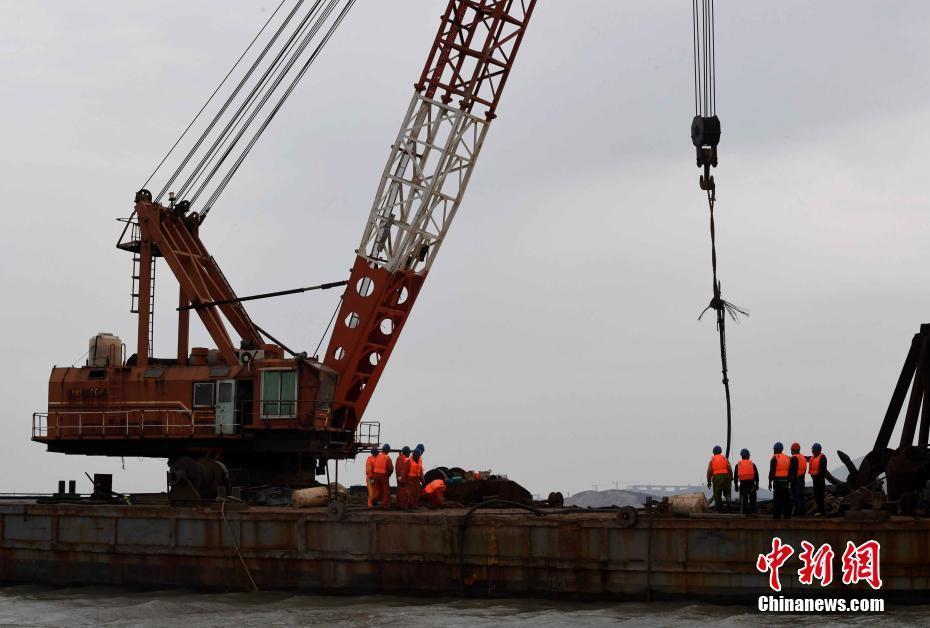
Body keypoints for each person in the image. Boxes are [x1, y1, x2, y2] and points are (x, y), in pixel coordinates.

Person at [769, 442, 792, 519]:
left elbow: (772, 471)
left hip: (777, 481)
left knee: (777, 499)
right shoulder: (786, 457)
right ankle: (787, 515)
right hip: (785, 481)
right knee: (786, 499)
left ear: (776, 449)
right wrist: (788, 480)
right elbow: (789, 470)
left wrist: (770, 482)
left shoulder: (775, 458)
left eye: (774, 449)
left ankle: (776, 515)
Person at [706, 445, 732, 512]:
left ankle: (719, 510)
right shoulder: (725, 458)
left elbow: (709, 472)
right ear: (720, 451)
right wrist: (731, 477)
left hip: (717, 478)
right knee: (727, 492)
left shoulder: (712, 460)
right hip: (726, 476)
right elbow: (729, 468)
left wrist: (709, 481)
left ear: (714, 452)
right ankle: (729, 502)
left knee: (717, 494)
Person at [733, 448, 759, 514]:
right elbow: (756, 475)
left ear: (741, 456)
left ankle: (744, 512)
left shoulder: (738, 465)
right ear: (748, 456)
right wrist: (757, 484)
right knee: (753, 500)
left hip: (743, 485)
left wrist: (736, 486)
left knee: (743, 500)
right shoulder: (752, 464)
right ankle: (753, 512)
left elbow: (735, 477)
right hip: (751, 485)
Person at [371, 443, 394, 508]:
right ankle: (385, 505)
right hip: (383, 475)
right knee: (386, 490)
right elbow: (390, 468)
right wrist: (389, 474)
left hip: (375, 475)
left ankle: (374, 499)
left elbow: (374, 466)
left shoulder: (377, 456)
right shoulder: (387, 458)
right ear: (388, 450)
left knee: (378, 490)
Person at [809, 442, 828, 516]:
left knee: (820, 496)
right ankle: (820, 511)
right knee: (816, 496)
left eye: (813, 450)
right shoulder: (813, 457)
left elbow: (822, 469)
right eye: (812, 450)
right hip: (815, 479)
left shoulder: (822, 457)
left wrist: (818, 475)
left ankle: (821, 511)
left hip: (820, 480)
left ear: (817, 450)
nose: (812, 451)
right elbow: (807, 458)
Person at [790, 442, 808, 517]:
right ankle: (803, 512)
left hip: (795, 479)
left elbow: (793, 471)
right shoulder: (803, 457)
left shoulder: (794, 458)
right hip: (802, 478)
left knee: (796, 497)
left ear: (793, 450)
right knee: (802, 496)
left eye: (791, 450)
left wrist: (791, 479)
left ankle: (797, 513)